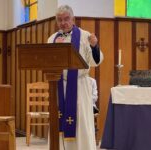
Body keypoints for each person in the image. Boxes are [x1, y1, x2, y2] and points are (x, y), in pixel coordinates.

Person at [47, 4, 103, 150]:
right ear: (56, 21)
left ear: (73, 19)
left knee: (80, 121)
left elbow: (95, 61)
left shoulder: (84, 36)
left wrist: (94, 46)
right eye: (60, 20)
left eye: (66, 19)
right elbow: (46, 61)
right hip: (58, 85)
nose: (63, 23)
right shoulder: (52, 39)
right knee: (59, 118)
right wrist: (54, 49)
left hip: (79, 85)